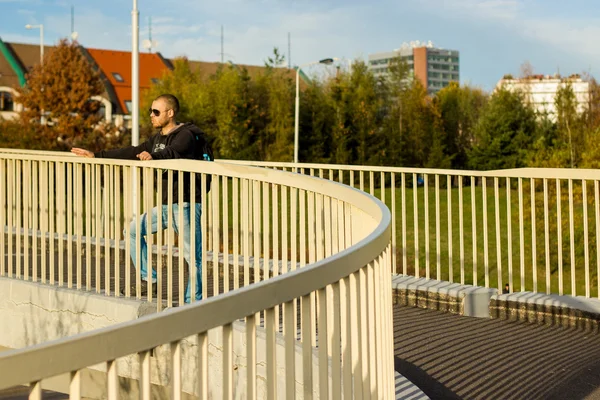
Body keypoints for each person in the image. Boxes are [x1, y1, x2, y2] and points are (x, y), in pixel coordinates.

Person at [71, 94, 204, 303]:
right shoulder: (157, 139)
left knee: (192, 256)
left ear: (170, 113)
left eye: (156, 112)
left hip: (186, 204)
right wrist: (97, 155)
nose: (152, 115)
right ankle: (148, 280)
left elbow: (174, 152)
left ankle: (193, 302)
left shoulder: (185, 135)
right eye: (151, 111)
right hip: (167, 205)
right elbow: (133, 151)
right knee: (132, 231)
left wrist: (154, 157)